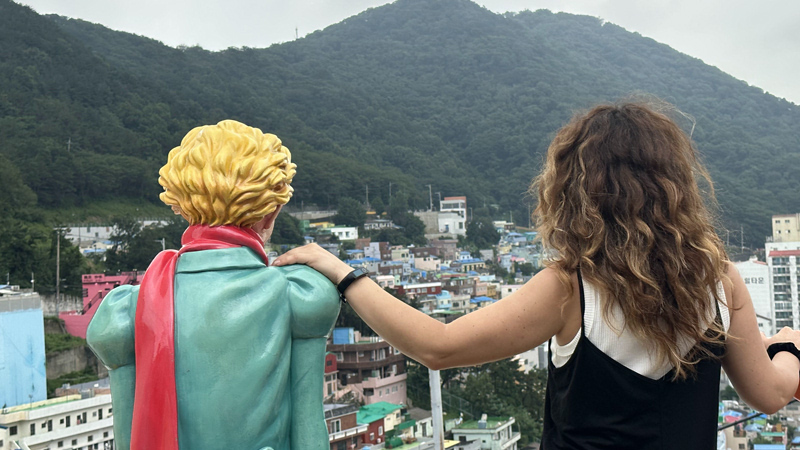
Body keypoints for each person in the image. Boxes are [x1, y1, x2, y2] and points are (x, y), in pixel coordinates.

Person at [274, 102, 800, 449]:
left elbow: (438, 346)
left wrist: (343, 274)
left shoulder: (569, 287)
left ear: (573, 189)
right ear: (675, 184)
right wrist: (788, 347)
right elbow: (771, 395)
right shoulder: (719, 279)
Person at [87, 120, 340, 450]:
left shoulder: (128, 311)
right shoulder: (298, 295)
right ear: (271, 211)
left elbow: (129, 439)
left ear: (182, 205)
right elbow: (308, 428)